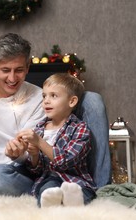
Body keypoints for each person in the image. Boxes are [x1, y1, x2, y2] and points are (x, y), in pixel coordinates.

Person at [0, 33, 111, 196]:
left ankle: (102, 189)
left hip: (37, 164)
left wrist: (24, 152)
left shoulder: (41, 98)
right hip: (10, 174)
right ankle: (49, 192)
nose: (12, 78)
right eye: (5, 70)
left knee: (92, 100)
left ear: (28, 67)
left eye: (19, 70)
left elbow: (40, 144)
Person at [16, 73, 96, 207]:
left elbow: (66, 161)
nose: (46, 100)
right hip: (49, 179)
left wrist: (40, 142)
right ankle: (55, 205)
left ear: (72, 101)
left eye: (53, 96)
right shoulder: (40, 128)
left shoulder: (80, 128)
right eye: (44, 96)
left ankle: (73, 202)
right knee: (47, 190)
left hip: (75, 181)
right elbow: (36, 170)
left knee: (83, 193)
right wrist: (34, 154)